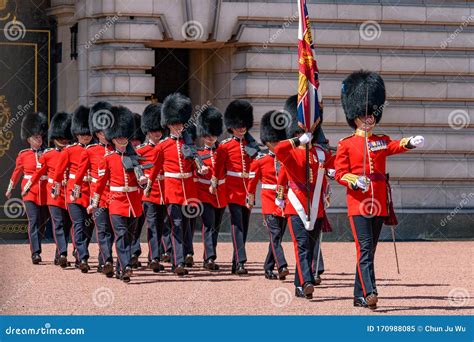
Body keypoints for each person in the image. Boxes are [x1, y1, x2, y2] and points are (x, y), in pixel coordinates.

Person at [334, 70, 424, 309]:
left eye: (371, 115)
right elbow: (339, 173)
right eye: (364, 115)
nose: (369, 119)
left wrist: (409, 143)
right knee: (364, 249)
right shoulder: (346, 144)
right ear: (354, 117)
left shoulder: (381, 140)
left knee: (369, 251)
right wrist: (354, 180)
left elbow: (394, 147)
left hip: (379, 203)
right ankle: (371, 291)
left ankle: (359, 295)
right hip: (359, 203)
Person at [146, 93, 209, 276]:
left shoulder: (188, 143)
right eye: (175, 124)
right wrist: (149, 185)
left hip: (188, 189)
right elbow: (156, 168)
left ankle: (180, 258)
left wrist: (201, 168)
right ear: (168, 125)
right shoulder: (163, 146)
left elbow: (195, 162)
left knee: (186, 225)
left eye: (181, 123)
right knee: (177, 225)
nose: (179, 127)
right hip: (172, 190)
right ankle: (178, 262)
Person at [91, 106, 146, 283]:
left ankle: (120, 269)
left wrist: (143, 182)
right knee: (121, 234)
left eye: (124, 137)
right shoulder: (108, 159)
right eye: (119, 138)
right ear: (113, 139)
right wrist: (95, 202)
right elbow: (99, 183)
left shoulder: (135, 157)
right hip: (115, 202)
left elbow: (140, 179)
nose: (122, 140)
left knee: (129, 237)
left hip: (133, 203)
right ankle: (126, 266)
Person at [23, 112, 73, 268]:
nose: (64, 141)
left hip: (69, 192)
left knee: (67, 224)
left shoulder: (73, 152)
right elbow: (38, 173)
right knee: (56, 223)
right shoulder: (48, 154)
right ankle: (61, 253)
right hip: (54, 193)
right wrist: (27, 186)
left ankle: (59, 254)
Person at [71, 102, 115, 277]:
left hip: (115, 194)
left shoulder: (117, 150)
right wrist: (75, 193)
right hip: (98, 195)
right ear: (97, 133)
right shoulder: (90, 151)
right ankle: (107, 260)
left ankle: (103, 259)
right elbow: (80, 174)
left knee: (111, 231)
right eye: (101, 132)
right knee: (102, 229)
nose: (104, 135)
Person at [214, 100, 256, 275]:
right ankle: (240, 261)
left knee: (244, 225)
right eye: (238, 125)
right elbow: (218, 169)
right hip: (232, 189)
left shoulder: (251, 145)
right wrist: (215, 183)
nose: (241, 128)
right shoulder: (225, 146)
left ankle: (235, 261)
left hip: (247, 189)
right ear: (232, 127)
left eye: (244, 125)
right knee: (236, 224)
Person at [247, 110, 289, 280]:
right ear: (266, 142)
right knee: (275, 234)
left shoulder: (287, 159)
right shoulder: (261, 160)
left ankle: (268, 267)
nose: (276, 144)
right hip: (269, 202)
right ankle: (283, 265)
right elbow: (252, 182)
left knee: (277, 236)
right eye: (272, 141)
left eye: (278, 140)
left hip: (284, 201)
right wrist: (250, 198)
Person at [52, 105, 94, 273]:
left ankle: (79, 251)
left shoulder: (96, 150)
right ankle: (83, 257)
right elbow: (58, 172)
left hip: (91, 192)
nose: (85, 137)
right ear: (76, 134)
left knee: (88, 226)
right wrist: (55, 189)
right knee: (77, 224)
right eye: (83, 134)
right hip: (74, 192)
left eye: (88, 133)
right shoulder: (69, 151)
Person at [6, 112, 49, 264]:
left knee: (43, 222)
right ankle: (35, 253)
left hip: (44, 192)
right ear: (29, 138)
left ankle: (38, 244)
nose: (39, 139)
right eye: (35, 137)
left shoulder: (47, 153)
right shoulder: (23, 155)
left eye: (40, 137)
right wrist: (10, 188)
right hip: (29, 191)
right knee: (33, 220)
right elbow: (17, 172)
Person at [135, 103, 167, 273]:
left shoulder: (165, 147)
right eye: (154, 130)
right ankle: (153, 257)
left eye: (159, 130)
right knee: (151, 225)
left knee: (160, 226)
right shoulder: (140, 150)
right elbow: (135, 169)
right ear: (147, 131)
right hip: (148, 192)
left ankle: (155, 256)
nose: (157, 133)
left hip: (164, 192)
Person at [195, 106, 227, 271]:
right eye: (207, 135)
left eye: (213, 134)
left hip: (220, 194)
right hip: (205, 194)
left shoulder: (222, 151)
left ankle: (208, 255)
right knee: (208, 225)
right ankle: (209, 257)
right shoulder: (198, 154)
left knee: (215, 227)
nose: (211, 138)